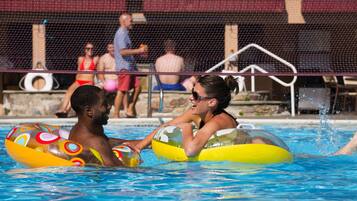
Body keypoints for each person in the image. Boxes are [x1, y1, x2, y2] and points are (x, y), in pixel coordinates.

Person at [129, 75, 241, 156]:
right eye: (192, 92)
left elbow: (191, 151)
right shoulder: (196, 113)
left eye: (196, 95)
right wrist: (139, 147)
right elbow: (166, 125)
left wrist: (187, 128)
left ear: (211, 102)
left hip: (224, 172)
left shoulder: (218, 122)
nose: (191, 98)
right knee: (130, 143)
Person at [69, 85, 140, 166]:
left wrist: (146, 142)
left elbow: (107, 141)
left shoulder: (79, 129)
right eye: (104, 104)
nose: (109, 106)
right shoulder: (96, 143)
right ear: (89, 111)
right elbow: (120, 171)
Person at [113, 13, 148, 118]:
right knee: (122, 90)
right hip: (124, 68)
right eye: (130, 20)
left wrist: (139, 55)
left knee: (138, 87)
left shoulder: (126, 33)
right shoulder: (121, 33)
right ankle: (115, 115)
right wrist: (139, 50)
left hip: (130, 67)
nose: (132, 22)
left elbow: (128, 52)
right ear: (124, 21)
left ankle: (129, 109)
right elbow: (123, 52)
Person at [55, 42, 99, 118]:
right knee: (69, 91)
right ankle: (63, 110)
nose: (90, 50)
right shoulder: (81, 59)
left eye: (92, 49)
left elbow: (98, 71)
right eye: (88, 48)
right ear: (84, 50)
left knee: (77, 93)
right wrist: (76, 82)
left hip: (88, 82)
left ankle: (66, 111)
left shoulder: (95, 59)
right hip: (79, 81)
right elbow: (78, 72)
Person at [97, 43, 128, 113]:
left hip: (117, 81)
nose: (112, 49)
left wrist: (119, 80)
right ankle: (99, 108)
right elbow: (100, 73)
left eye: (114, 47)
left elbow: (123, 71)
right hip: (106, 80)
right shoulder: (103, 58)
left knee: (124, 88)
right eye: (110, 47)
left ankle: (126, 109)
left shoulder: (120, 58)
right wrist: (104, 82)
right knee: (98, 88)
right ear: (107, 49)